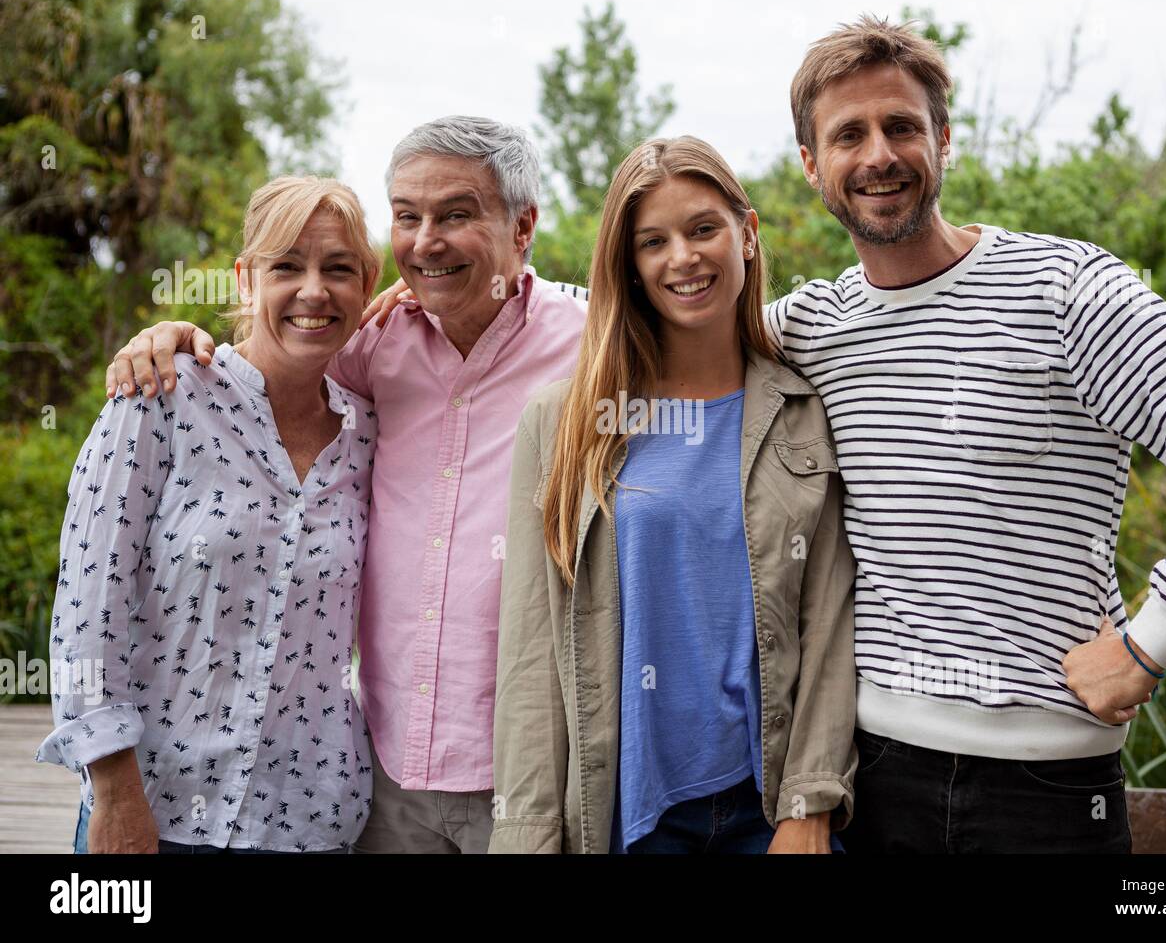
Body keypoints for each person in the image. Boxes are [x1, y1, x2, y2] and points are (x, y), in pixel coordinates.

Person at [764, 15, 1166, 852]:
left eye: (902, 126)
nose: (879, 155)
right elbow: (657, 342)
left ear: (943, 140)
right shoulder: (811, 328)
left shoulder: (1065, 292)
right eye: (848, 135)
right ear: (811, 166)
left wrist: (1148, 642)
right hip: (875, 778)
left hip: (1048, 788)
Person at [101, 117, 589, 853]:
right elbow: (280, 349)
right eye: (407, 216)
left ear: (523, 225)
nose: (426, 241)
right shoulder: (368, 347)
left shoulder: (592, 344)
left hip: (528, 776)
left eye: (456, 214)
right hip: (384, 783)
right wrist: (169, 336)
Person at [488, 136, 858, 854]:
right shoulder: (565, 421)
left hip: (770, 809)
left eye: (702, 229)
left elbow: (830, 622)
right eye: (652, 241)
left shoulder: (803, 411)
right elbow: (531, 655)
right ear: (628, 265)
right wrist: (526, 836)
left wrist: (809, 802)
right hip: (631, 815)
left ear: (746, 235)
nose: (682, 258)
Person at [39, 175, 382, 853]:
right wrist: (113, 793)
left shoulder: (371, 434)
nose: (315, 290)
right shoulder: (159, 397)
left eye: (339, 269)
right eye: (287, 265)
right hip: (152, 807)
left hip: (308, 819)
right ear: (246, 280)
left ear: (366, 288)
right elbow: (87, 608)